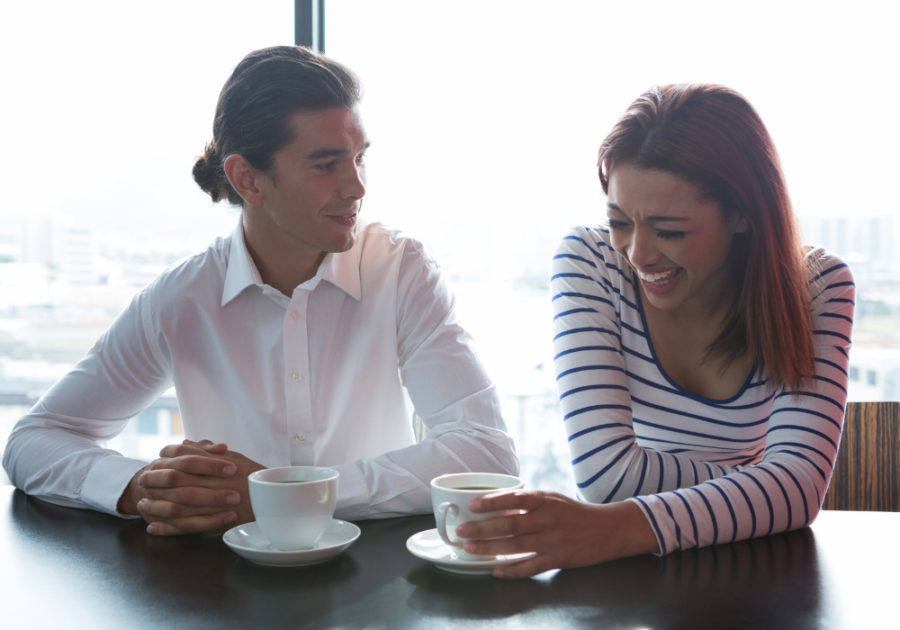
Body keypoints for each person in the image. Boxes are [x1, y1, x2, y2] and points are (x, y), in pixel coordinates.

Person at [2, 46, 517, 535]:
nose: (357, 186)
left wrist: (291, 494)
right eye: (326, 164)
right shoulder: (180, 299)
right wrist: (138, 487)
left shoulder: (401, 271)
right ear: (247, 179)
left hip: (378, 582)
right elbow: (31, 441)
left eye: (360, 158)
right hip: (223, 590)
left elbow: (486, 452)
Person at [458, 84, 853, 577]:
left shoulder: (817, 287)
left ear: (742, 214)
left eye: (670, 231)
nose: (639, 254)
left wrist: (783, 487)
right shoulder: (590, 262)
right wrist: (760, 486)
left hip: (756, 568)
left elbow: (798, 490)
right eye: (620, 222)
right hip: (662, 566)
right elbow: (605, 478)